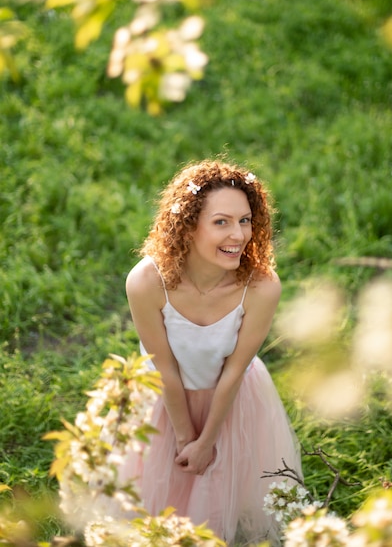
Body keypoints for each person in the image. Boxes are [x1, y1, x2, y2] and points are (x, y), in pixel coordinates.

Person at [125, 159, 302, 544]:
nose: (238, 235)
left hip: (231, 399)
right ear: (188, 227)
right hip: (161, 398)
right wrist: (186, 436)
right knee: (155, 498)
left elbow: (235, 371)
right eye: (221, 222)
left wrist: (207, 442)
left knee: (215, 499)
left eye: (245, 220)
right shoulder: (146, 281)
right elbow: (164, 370)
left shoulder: (261, 287)